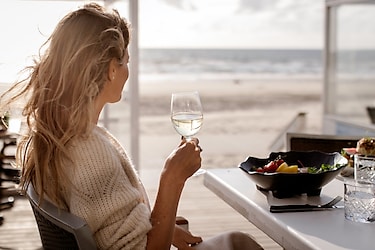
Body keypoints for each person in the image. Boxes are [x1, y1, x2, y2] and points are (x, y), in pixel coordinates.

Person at [0, 3, 263, 250]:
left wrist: (165, 228)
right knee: (238, 242)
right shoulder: (89, 152)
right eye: (125, 61)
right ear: (111, 70)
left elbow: (106, 221)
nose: (127, 70)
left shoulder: (56, 135)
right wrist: (171, 178)